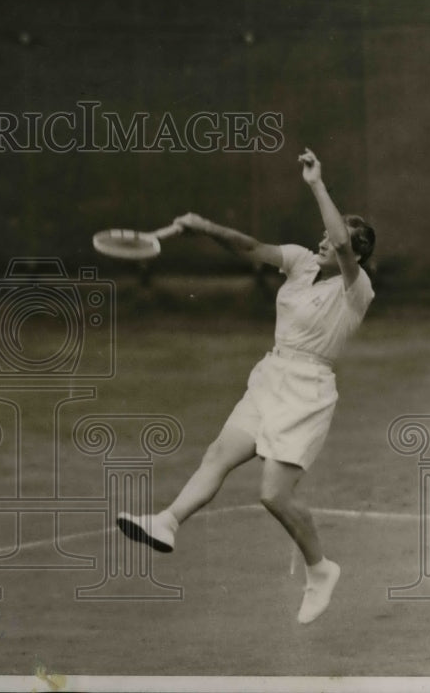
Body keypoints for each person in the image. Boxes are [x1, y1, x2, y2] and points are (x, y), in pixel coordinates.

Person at [117, 148, 376, 624]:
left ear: (356, 255)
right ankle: (167, 521)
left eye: (339, 241)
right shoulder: (299, 263)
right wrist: (206, 226)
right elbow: (251, 247)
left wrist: (317, 184)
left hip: (307, 391)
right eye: (324, 236)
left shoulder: (356, 289)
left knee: (273, 495)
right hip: (271, 375)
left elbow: (339, 240)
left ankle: (321, 571)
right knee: (218, 453)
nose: (325, 241)